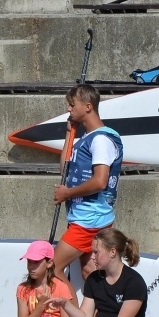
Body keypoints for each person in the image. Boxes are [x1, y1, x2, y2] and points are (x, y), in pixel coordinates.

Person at [51, 83, 123, 283]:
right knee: (89, 272)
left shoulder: (101, 140)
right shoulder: (87, 138)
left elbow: (100, 181)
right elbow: (64, 170)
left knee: (52, 270)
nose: (68, 109)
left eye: (72, 104)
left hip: (89, 220)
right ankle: (100, 313)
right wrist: (69, 133)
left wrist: (67, 194)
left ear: (88, 107)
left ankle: (72, 315)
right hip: (86, 217)